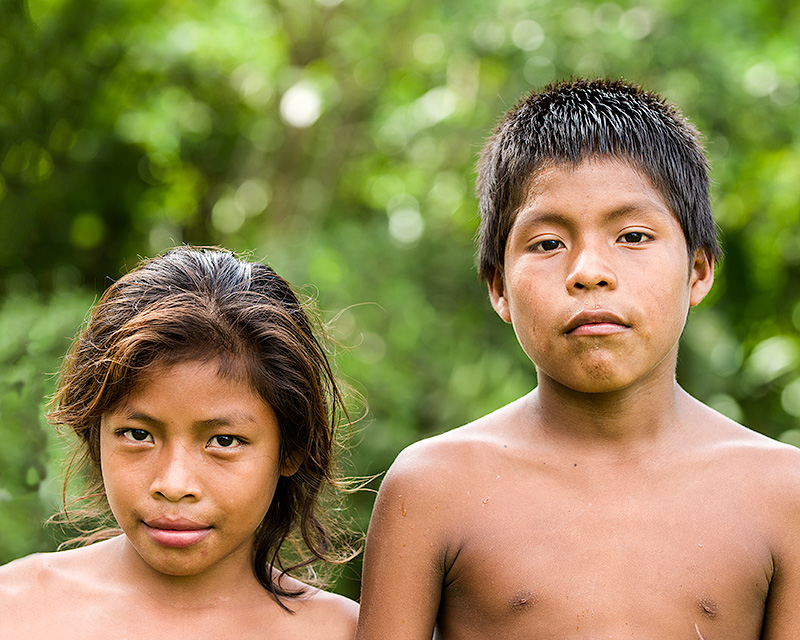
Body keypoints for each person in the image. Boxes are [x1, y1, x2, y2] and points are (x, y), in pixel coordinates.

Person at [355, 78, 800, 639]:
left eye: (632, 236)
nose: (589, 271)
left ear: (698, 270)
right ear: (499, 288)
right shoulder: (433, 488)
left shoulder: (783, 492)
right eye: (548, 243)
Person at [0, 246, 358, 639]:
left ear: (291, 449)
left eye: (224, 441)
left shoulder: (345, 632)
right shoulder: (15, 610)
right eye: (138, 435)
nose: (173, 485)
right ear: (95, 433)